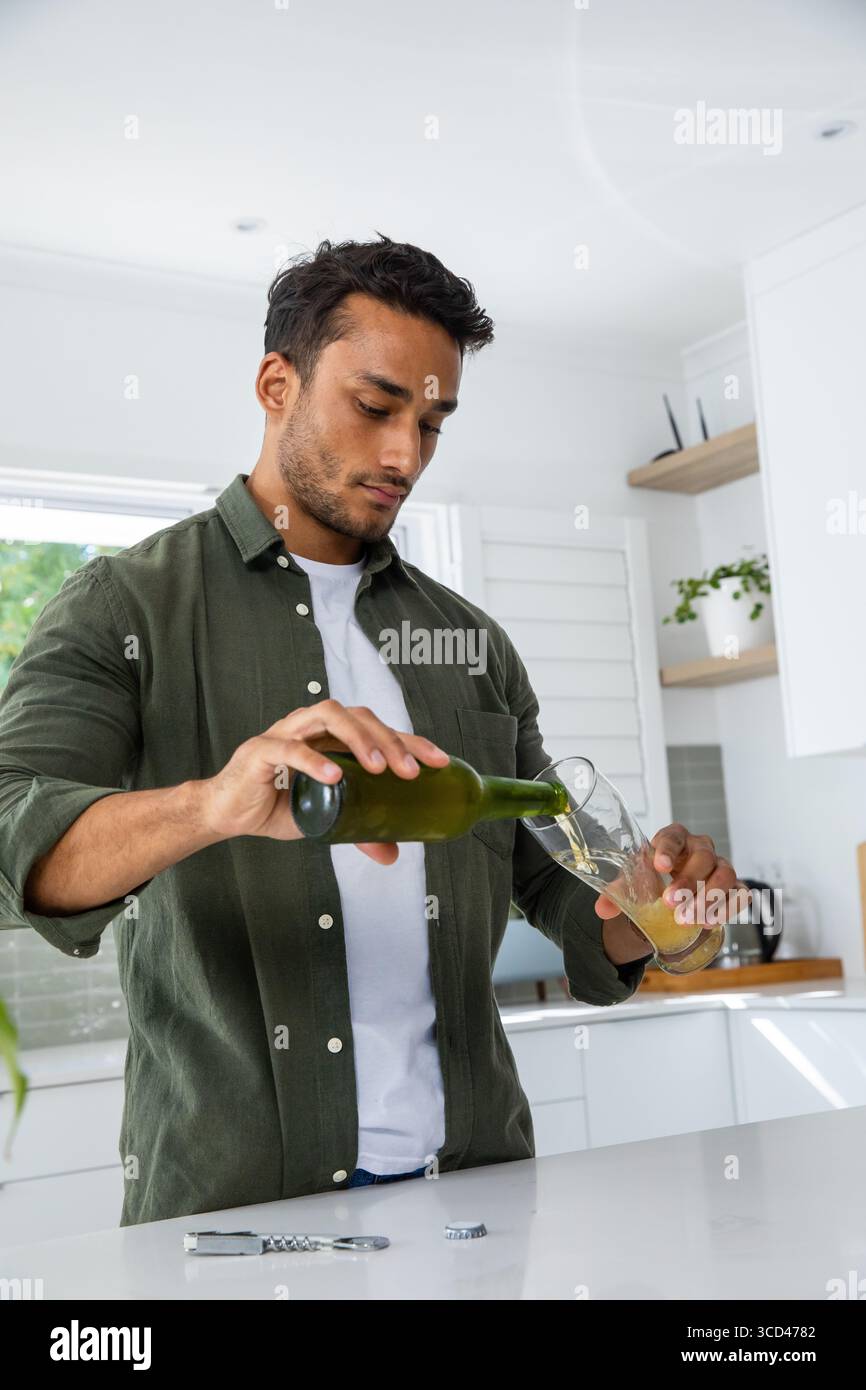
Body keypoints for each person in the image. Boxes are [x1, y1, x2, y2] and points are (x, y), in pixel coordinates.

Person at [0, 236, 746, 1224]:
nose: (405, 454)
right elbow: (19, 833)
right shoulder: (124, 608)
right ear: (277, 383)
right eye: (375, 406)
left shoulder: (467, 644)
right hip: (234, 1223)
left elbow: (560, 894)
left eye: (432, 423)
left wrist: (653, 908)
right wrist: (211, 805)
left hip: (478, 1200)